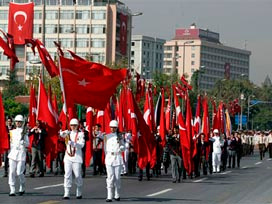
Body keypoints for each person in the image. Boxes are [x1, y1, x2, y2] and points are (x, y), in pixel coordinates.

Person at [60, 118, 85, 199]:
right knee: (67, 174)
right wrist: (63, 132)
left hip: (77, 157)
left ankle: (79, 190)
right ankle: (66, 192)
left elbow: (81, 145)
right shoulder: (68, 133)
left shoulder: (81, 134)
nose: (73, 127)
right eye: (71, 125)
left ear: (77, 126)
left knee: (77, 175)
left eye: (75, 125)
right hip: (68, 157)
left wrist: (73, 143)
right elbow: (61, 134)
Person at [8, 115, 29, 196]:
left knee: (19, 172)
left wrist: (24, 142)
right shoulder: (12, 132)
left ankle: (22, 185)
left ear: (22, 123)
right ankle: (12, 189)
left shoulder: (25, 132)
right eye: (16, 121)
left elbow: (28, 144)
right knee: (12, 172)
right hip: (13, 153)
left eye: (19, 122)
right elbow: (11, 143)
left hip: (21, 153)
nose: (18, 123)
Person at [104, 120, 125, 202]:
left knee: (117, 178)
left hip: (117, 158)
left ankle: (117, 194)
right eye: (111, 127)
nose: (112, 129)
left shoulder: (120, 136)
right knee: (110, 177)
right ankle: (109, 195)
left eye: (114, 127)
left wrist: (121, 148)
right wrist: (107, 156)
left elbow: (123, 145)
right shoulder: (107, 136)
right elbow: (105, 149)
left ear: (117, 128)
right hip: (109, 158)